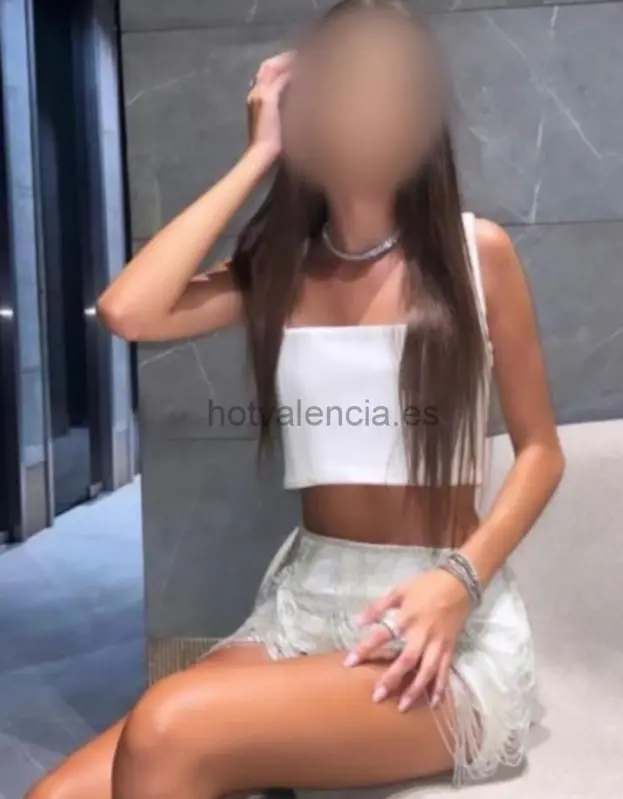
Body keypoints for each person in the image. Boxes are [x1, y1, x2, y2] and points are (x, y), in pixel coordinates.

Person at [27, 2, 564, 798]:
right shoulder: (278, 273)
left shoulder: (474, 254)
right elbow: (127, 310)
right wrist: (258, 156)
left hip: (435, 620)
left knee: (170, 727)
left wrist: (460, 579)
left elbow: (540, 451)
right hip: (302, 606)